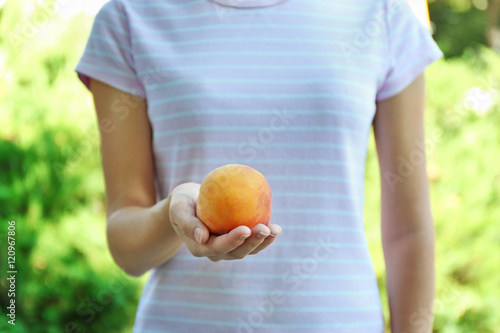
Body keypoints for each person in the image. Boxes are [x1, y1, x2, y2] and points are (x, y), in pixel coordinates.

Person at [75, 0, 442, 332]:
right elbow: (127, 247)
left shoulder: (382, 14)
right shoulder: (129, 18)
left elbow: (409, 231)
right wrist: (174, 214)